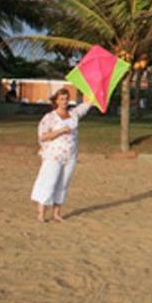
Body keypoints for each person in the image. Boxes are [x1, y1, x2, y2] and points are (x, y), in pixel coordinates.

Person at [31, 88, 92, 223]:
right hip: (54, 155)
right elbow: (43, 135)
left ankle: (57, 213)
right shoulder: (50, 117)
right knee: (49, 181)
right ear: (56, 101)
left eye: (66, 99)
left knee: (64, 183)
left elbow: (87, 104)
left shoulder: (73, 114)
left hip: (70, 155)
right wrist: (59, 131)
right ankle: (41, 213)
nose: (64, 102)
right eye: (61, 99)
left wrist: (94, 88)